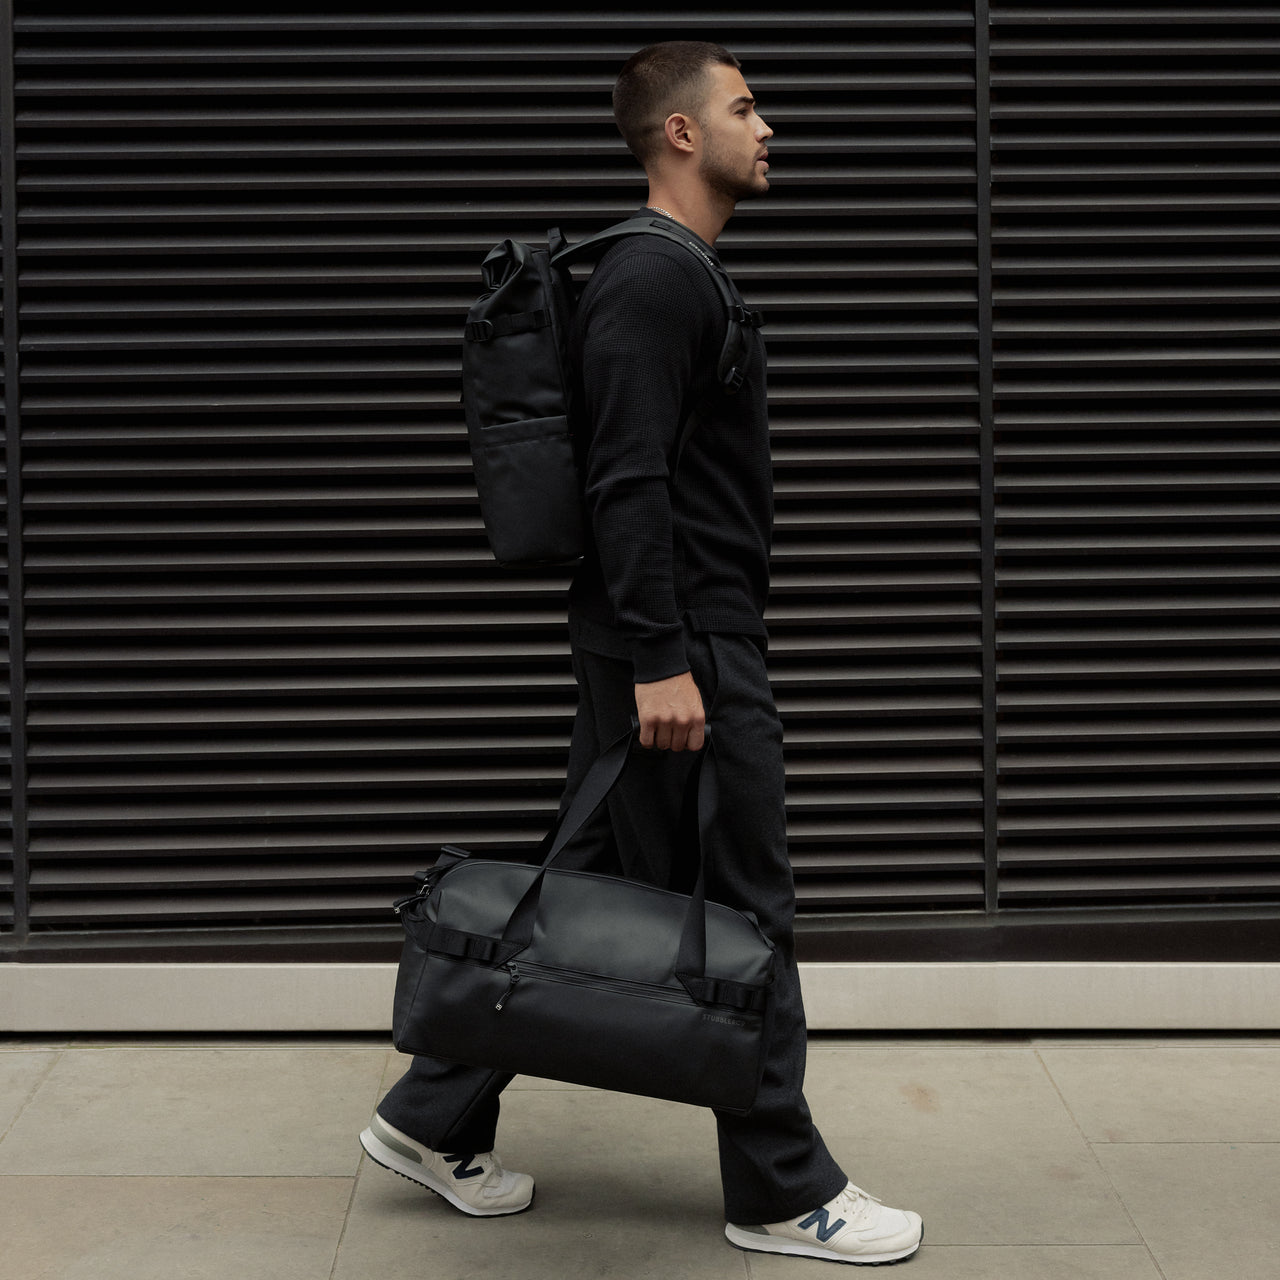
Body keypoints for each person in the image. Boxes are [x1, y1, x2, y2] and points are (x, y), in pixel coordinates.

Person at [360, 41, 924, 1266]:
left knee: (584, 885)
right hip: (684, 648)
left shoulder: (669, 277)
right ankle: (782, 1186)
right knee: (751, 908)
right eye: (743, 106)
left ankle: (430, 1111)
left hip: (665, 640)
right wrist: (666, 657)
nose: (765, 126)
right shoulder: (655, 282)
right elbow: (626, 482)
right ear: (679, 135)